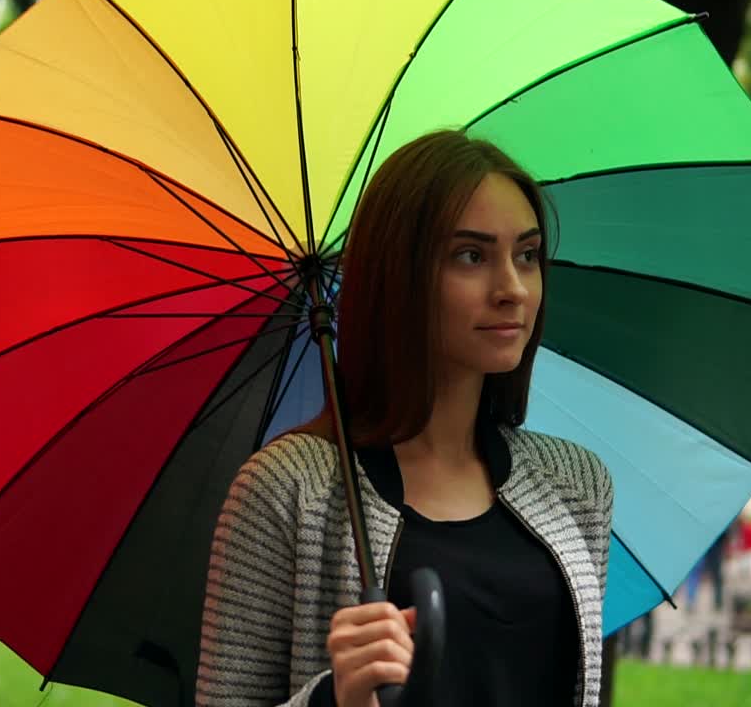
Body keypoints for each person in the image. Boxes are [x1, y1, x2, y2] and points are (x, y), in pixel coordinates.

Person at [196, 131, 614, 706]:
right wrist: (333, 699)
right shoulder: (289, 490)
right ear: (401, 276)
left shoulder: (578, 485)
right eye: (471, 256)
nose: (513, 289)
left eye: (527, 254)